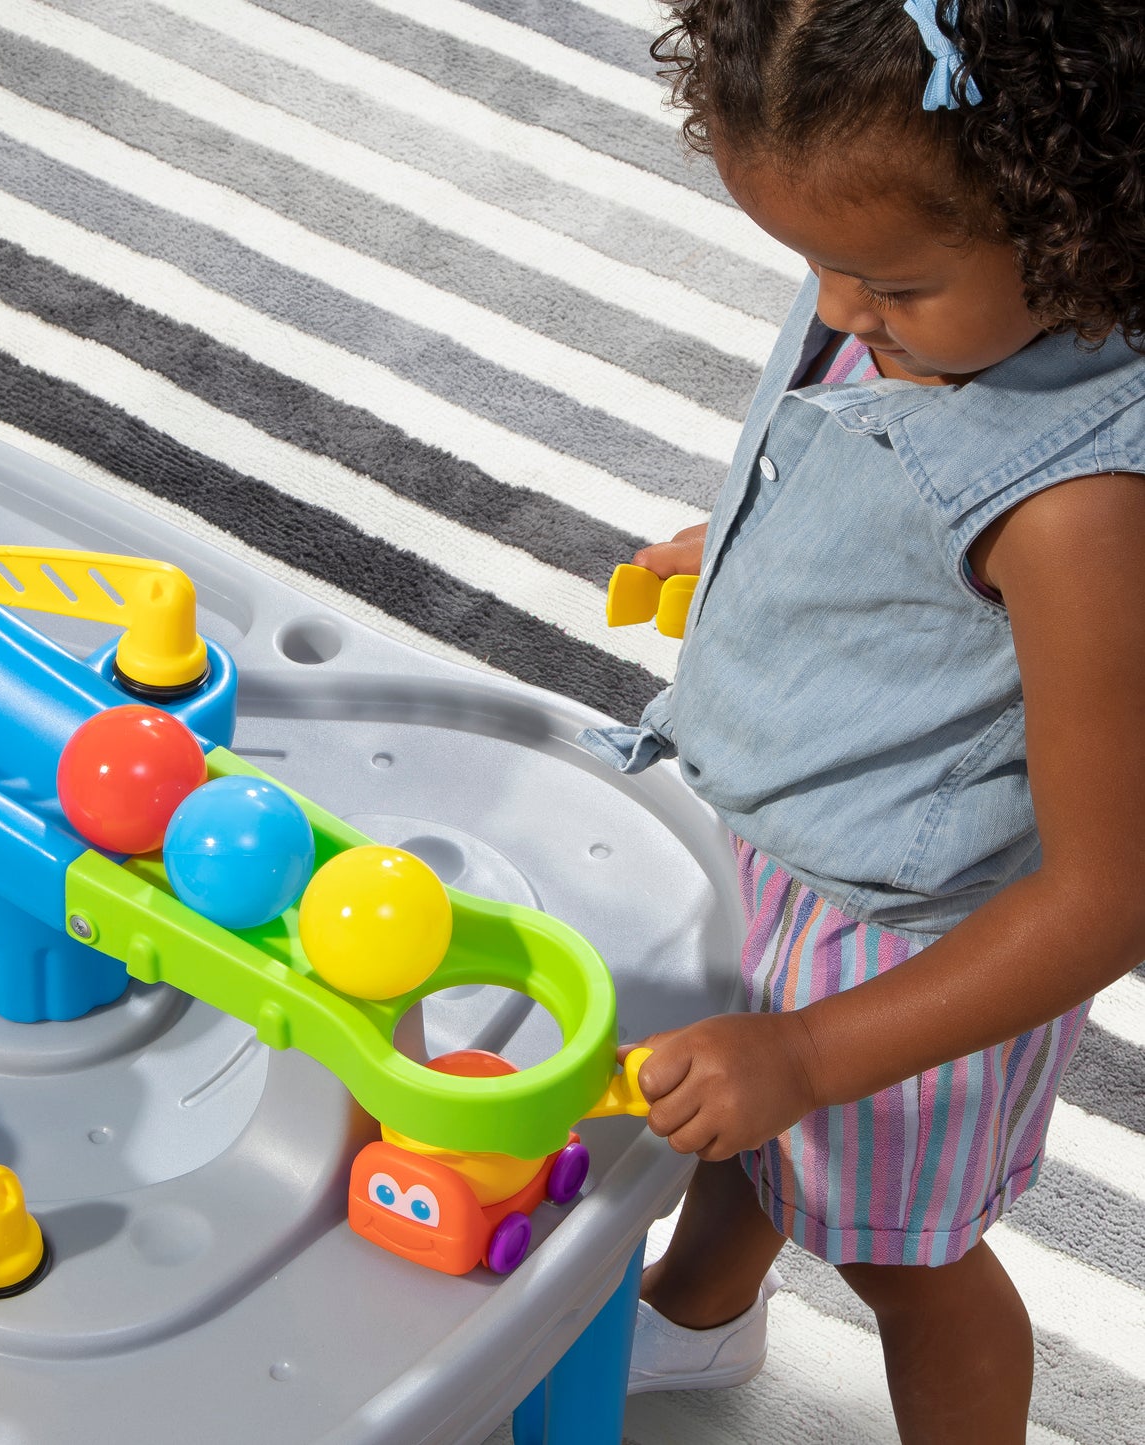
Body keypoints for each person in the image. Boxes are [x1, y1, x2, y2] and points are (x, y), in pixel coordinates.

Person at [577, 3, 1145, 1440]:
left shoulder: (1081, 514)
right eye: (813, 269)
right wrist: (765, 541)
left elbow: (1106, 894)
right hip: (796, 831)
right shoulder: (921, 296)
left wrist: (815, 1052)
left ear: (1072, 225)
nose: (836, 313)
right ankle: (700, 1314)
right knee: (735, 1110)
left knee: (904, 1255)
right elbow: (889, 488)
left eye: (879, 279)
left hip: (916, 944)